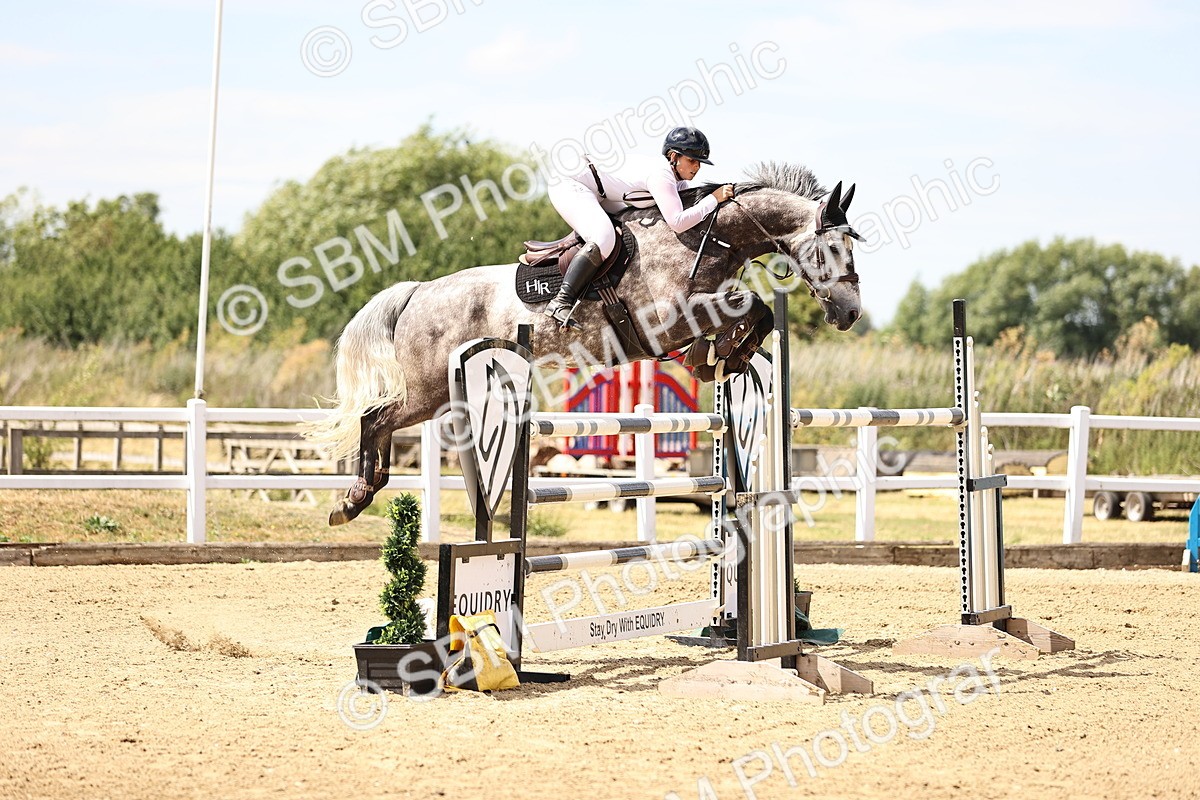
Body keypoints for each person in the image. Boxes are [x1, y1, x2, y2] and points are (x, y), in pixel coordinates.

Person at [543, 126, 735, 328]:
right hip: (570, 183)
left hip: (600, 191)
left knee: (628, 234)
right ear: (673, 156)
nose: (696, 167)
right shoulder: (662, 175)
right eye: (692, 160)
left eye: (699, 163)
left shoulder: (677, 181)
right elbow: (677, 222)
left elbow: (692, 209)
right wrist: (714, 199)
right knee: (605, 238)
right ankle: (561, 300)